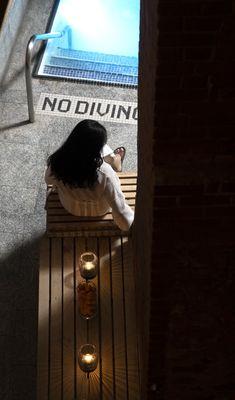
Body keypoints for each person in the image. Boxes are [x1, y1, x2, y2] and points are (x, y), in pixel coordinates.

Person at [45, 119, 134, 231]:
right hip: (99, 210)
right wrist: (129, 225)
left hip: (70, 207)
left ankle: (114, 160)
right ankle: (115, 161)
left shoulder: (58, 163)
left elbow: (48, 180)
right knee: (108, 154)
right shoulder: (105, 173)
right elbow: (120, 209)